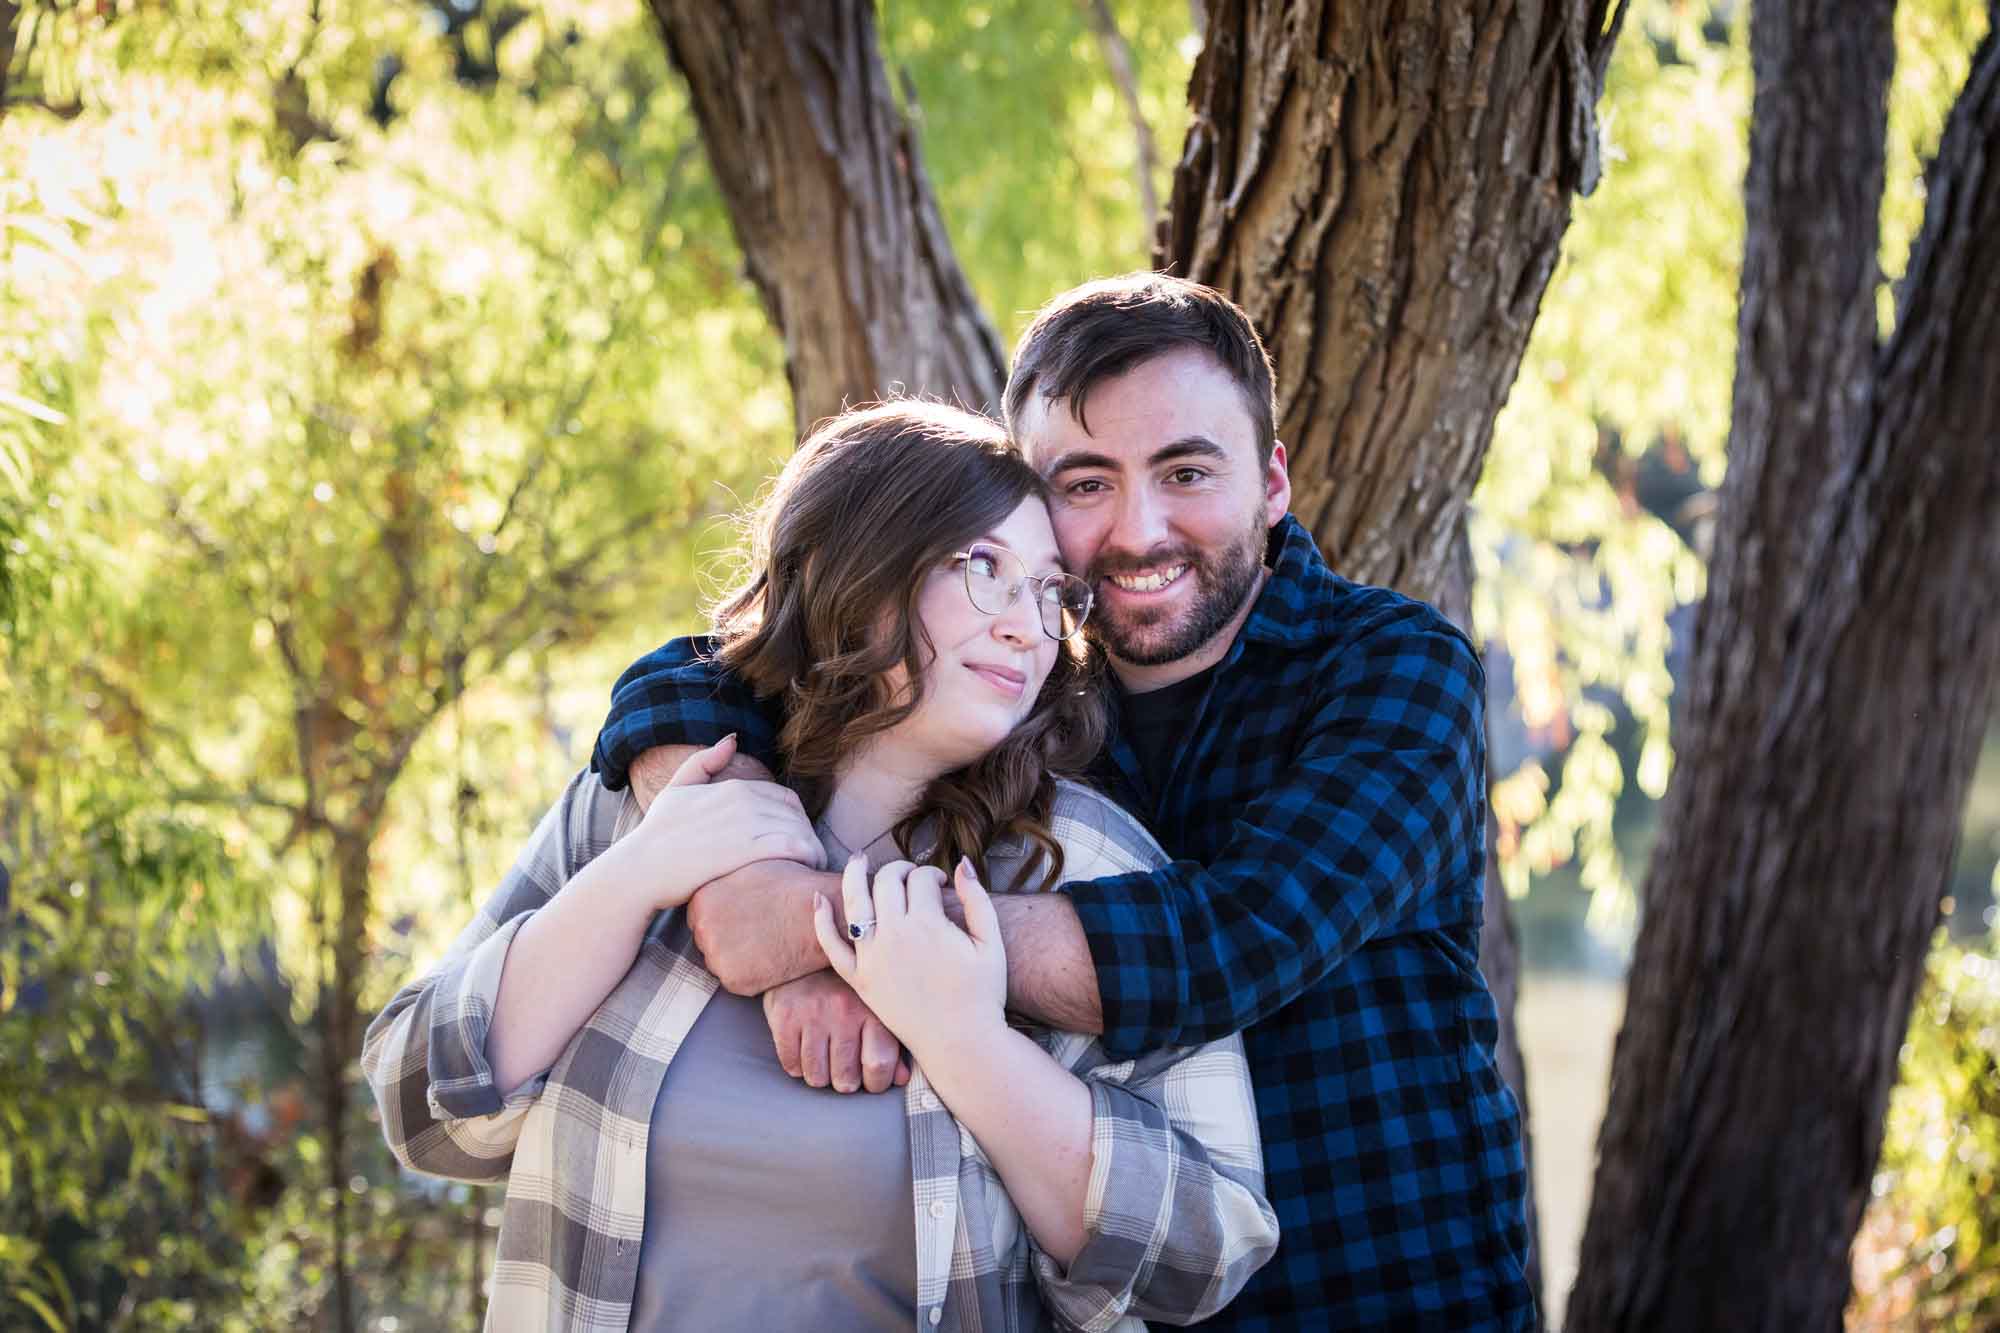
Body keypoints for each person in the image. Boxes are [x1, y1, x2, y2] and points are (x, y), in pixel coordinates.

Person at [591, 275, 1534, 1329]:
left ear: (1270, 482)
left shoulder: (1392, 669)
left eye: (1184, 471)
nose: (1138, 530)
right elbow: (696, 675)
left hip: (1379, 1290)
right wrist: (747, 874)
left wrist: (844, 943)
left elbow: (1225, 944)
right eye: (1083, 484)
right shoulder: (1012, 691)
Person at [362, 400, 1278, 1333]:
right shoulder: (648, 798)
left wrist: (964, 1040)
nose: (1027, 628)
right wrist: (640, 874)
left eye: (1049, 592)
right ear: (865, 567)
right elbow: (420, 1108)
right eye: (985, 569)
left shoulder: (1084, 860)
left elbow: (1207, 1251)